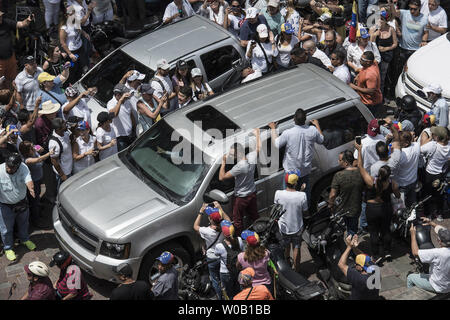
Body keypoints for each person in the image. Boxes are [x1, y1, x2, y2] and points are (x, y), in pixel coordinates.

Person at [356, 141, 401, 264]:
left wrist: (359, 150)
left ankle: (376, 255)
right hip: (386, 207)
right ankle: (387, 252)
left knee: (373, 232)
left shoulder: (371, 182)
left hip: (372, 209)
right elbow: (397, 196)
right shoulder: (392, 184)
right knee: (386, 230)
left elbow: (360, 166)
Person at [268, 108, 324, 202]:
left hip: (291, 172)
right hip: (304, 172)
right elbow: (321, 139)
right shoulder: (313, 130)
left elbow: (277, 144)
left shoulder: (288, 133)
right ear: (305, 119)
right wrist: (317, 125)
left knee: (288, 197)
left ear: (294, 119)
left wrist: (273, 128)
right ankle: (304, 212)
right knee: (304, 196)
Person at [219, 128, 261, 235]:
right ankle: (260, 231)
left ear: (239, 153)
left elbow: (221, 177)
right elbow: (258, 148)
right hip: (252, 193)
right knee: (254, 215)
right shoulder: (251, 157)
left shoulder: (239, 167)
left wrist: (223, 162)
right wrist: (257, 134)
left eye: (232, 154)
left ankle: (240, 238)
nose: (231, 156)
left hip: (241, 197)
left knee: (237, 220)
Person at [0, 153, 36, 261]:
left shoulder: (23, 167)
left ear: (18, 166)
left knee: (24, 223)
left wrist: (31, 189)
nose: (9, 169)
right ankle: (8, 248)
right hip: (5, 205)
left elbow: (28, 179)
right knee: (6, 229)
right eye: (8, 166)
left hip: (21, 202)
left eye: (12, 167)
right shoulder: (0, 170)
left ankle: (25, 239)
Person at [193, 202, 229, 299]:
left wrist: (201, 212)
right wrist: (220, 208)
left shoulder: (207, 231)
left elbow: (195, 226)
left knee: (215, 279)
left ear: (210, 219)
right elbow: (228, 220)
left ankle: (220, 297)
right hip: (222, 256)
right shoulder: (224, 227)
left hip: (212, 258)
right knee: (223, 276)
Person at [274, 170, 308, 272]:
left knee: (286, 247)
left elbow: (277, 206)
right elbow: (305, 211)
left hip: (284, 227)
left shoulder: (278, 193)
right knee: (297, 248)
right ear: (296, 183)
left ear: (286, 182)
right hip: (297, 227)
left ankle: (288, 267)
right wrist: (301, 191)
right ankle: (297, 270)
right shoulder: (302, 196)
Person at [408, 218, 450, 293]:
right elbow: (442, 230)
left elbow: (415, 252)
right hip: (447, 283)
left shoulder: (438, 253)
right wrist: (431, 223)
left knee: (410, 278)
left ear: (439, 241)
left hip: (439, 286)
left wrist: (413, 235)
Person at [329, 150, 364, 236]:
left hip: (343, 209)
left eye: (340, 160)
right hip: (356, 208)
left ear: (345, 163)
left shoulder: (339, 175)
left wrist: (330, 205)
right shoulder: (361, 172)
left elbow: (332, 195)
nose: (338, 161)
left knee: (347, 231)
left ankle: (351, 248)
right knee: (352, 228)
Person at [19, 140, 54, 227]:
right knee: (34, 202)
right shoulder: (27, 160)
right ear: (27, 151)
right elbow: (39, 159)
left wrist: (41, 150)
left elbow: (38, 151)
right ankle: (36, 221)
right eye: (31, 148)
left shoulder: (33, 152)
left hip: (38, 180)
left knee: (37, 199)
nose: (34, 148)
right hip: (33, 183)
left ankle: (37, 214)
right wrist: (49, 153)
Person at [390, 0, 429, 74]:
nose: (412, 11)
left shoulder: (424, 18)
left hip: (416, 50)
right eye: (410, 8)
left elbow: (426, 32)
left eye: (415, 9)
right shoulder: (404, 13)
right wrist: (391, 3)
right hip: (403, 48)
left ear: (419, 8)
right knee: (400, 70)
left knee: (413, 70)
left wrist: (424, 41)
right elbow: (394, 12)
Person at [338, 234, 381, 300]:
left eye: (356, 264)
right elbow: (363, 256)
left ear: (360, 268)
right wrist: (354, 247)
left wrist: (349, 247)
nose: (355, 265)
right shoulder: (376, 270)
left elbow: (341, 264)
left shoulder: (359, 278)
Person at [420, 126, 449, 221]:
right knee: (439, 194)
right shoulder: (448, 146)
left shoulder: (432, 145)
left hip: (429, 174)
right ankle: (439, 213)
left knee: (427, 194)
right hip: (441, 174)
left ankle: (428, 214)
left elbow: (420, 149)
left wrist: (429, 139)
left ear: (437, 137)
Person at [0, 10, 33, 89]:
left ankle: (11, 95)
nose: (1, 18)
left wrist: (27, 20)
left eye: (1, 16)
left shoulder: (6, 22)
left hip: (11, 58)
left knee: (12, 80)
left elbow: (21, 24)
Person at [59, 5, 90, 85]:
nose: (73, 15)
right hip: (72, 51)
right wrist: (70, 54)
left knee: (82, 65)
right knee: (72, 68)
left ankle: (81, 80)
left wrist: (84, 33)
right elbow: (63, 43)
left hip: (80, 48)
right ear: (66, 15)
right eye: (71, 14)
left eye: (74, 13)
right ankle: (71, 84)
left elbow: (79, 28)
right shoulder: (64, 28)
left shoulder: (75, 21)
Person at [370, 10, 398, 98]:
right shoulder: (373, 29)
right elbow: (370, 44)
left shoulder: (391, 29)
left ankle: (381, 96)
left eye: (382, 19)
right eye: (378, 19)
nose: (380, 21)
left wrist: (386, 48)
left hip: (386, 57)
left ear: (386, 21)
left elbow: (395, 44)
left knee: (383, 77)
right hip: (375, 58)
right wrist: (375, 35)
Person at [214, 220, 245, 298]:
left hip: (225, 272)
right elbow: (242, 250)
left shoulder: (219, 246)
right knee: (238, 290)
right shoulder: (239, 240)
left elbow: (216, 255)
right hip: (238, 270)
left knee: (229, 293)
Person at [349, 51, 384, 118]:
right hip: (364, 100)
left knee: (368, 121)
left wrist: (355, 87)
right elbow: (364, 68)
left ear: (368, 62)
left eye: (362, 59)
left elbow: (371, 91)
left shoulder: (370, 74)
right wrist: (359, 75)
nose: (360, 60)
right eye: (361, 58)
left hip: (370, 103)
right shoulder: (373, 63)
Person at [395, 130, 421, 207]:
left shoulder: (400, 155)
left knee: (401, 206)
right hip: (413, 181)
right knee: (412, 203)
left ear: (406, 143)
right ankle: (412, 217)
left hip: (402, 184)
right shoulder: (417, 146)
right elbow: (413, 142)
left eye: (399, 141)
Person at [107, 84, 134, 151]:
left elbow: (131, 115)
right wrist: (120, 101)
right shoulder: (110, 103)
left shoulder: (127, 101)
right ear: (118, 95)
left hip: (130, 134)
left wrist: (134, 128)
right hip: (120, 137)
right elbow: (113, 114)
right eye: (125, 94)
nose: (127, 96)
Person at [49, 118, 73, 188]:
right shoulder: (54, 143)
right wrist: (62, 175)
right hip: (63, 174)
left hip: (70, 169)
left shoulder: (65, 133)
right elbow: (54, 161)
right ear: (58, 129)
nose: (65, 123)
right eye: (63, 123)